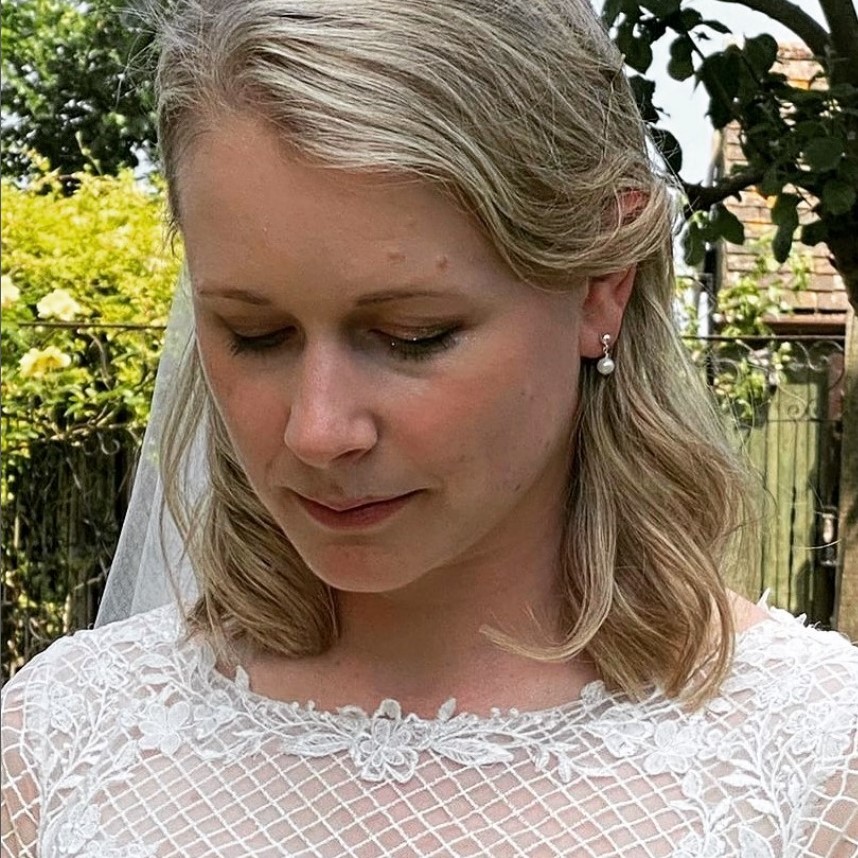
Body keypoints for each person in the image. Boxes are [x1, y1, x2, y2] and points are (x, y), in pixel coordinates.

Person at [2, 0, 856, 854]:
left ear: (603, 285)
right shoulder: (58, 751)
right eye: (255, 335)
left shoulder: (812, 770)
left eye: (414, 336)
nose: (318, 431)